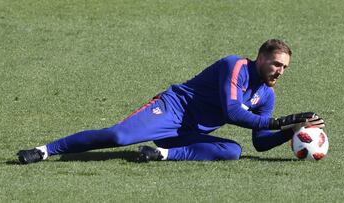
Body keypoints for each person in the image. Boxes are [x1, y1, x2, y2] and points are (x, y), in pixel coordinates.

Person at [17, 39, 325, 164]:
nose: (279, 71)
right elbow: (232, 111)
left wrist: (291, 130)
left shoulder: (267, 95)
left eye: (284, 67)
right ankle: (45, 150)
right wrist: (279, 121)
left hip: (189, 131)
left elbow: (259, 143)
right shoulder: (235, 66)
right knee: (118, 136)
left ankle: (162, 154)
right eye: (275, 64)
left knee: (232, 151)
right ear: (260, 58)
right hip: (172, 109)